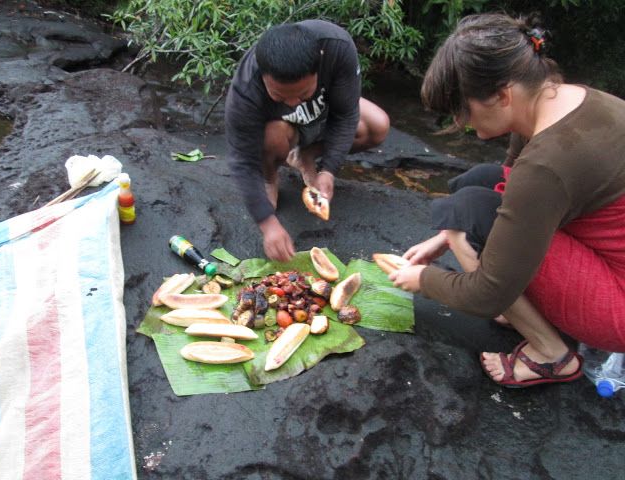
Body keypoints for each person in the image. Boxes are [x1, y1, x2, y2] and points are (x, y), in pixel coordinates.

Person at [388, 13, 625, 388]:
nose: (462, 122)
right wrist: (439, 240)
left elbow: (486, 294)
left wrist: (423, 279)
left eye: (462, 109)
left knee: (466, 214)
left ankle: (552, 354)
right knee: (477, 184)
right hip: (605, 250)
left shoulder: (547, 164)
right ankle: (524, 310)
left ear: (502, 95)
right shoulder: (563, 99)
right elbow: (509, 182)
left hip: (617, 305)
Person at [225, 20, 390, 262]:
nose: (293, 102)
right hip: (283, 128)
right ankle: (270, 177)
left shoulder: (337, 47)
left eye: (303, 93)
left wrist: (329, 170)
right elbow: (242, 162)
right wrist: (268, 224)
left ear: (318, 66)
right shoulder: (245, 90)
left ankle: (306, 156)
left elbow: (345, 115)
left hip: (323, 115)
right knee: (270, 137)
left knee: (377, 126)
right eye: (280, 96)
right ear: (263, 76)